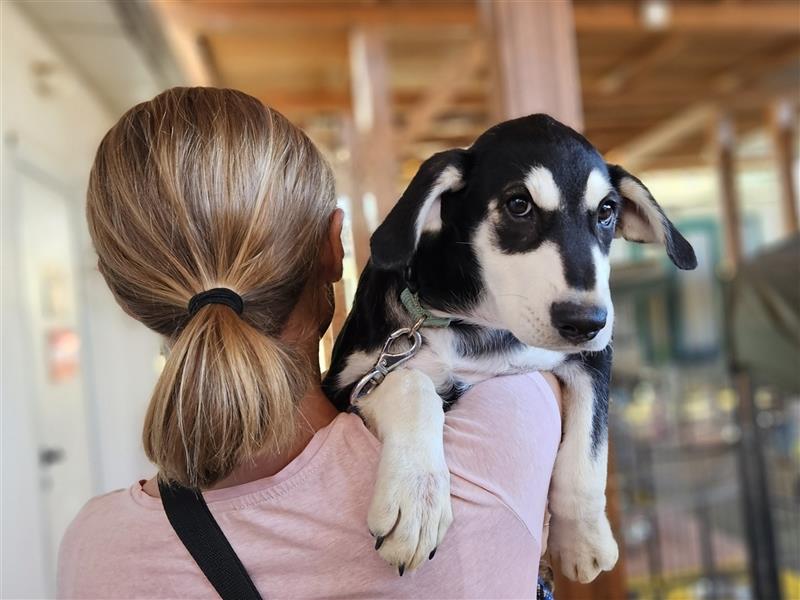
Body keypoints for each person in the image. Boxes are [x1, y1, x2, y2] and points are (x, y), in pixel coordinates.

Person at [57, 87, 562, 599]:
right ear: (332, 247)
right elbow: (563, 332)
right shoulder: (495, 442)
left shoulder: (95, 550)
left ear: (120, 292)